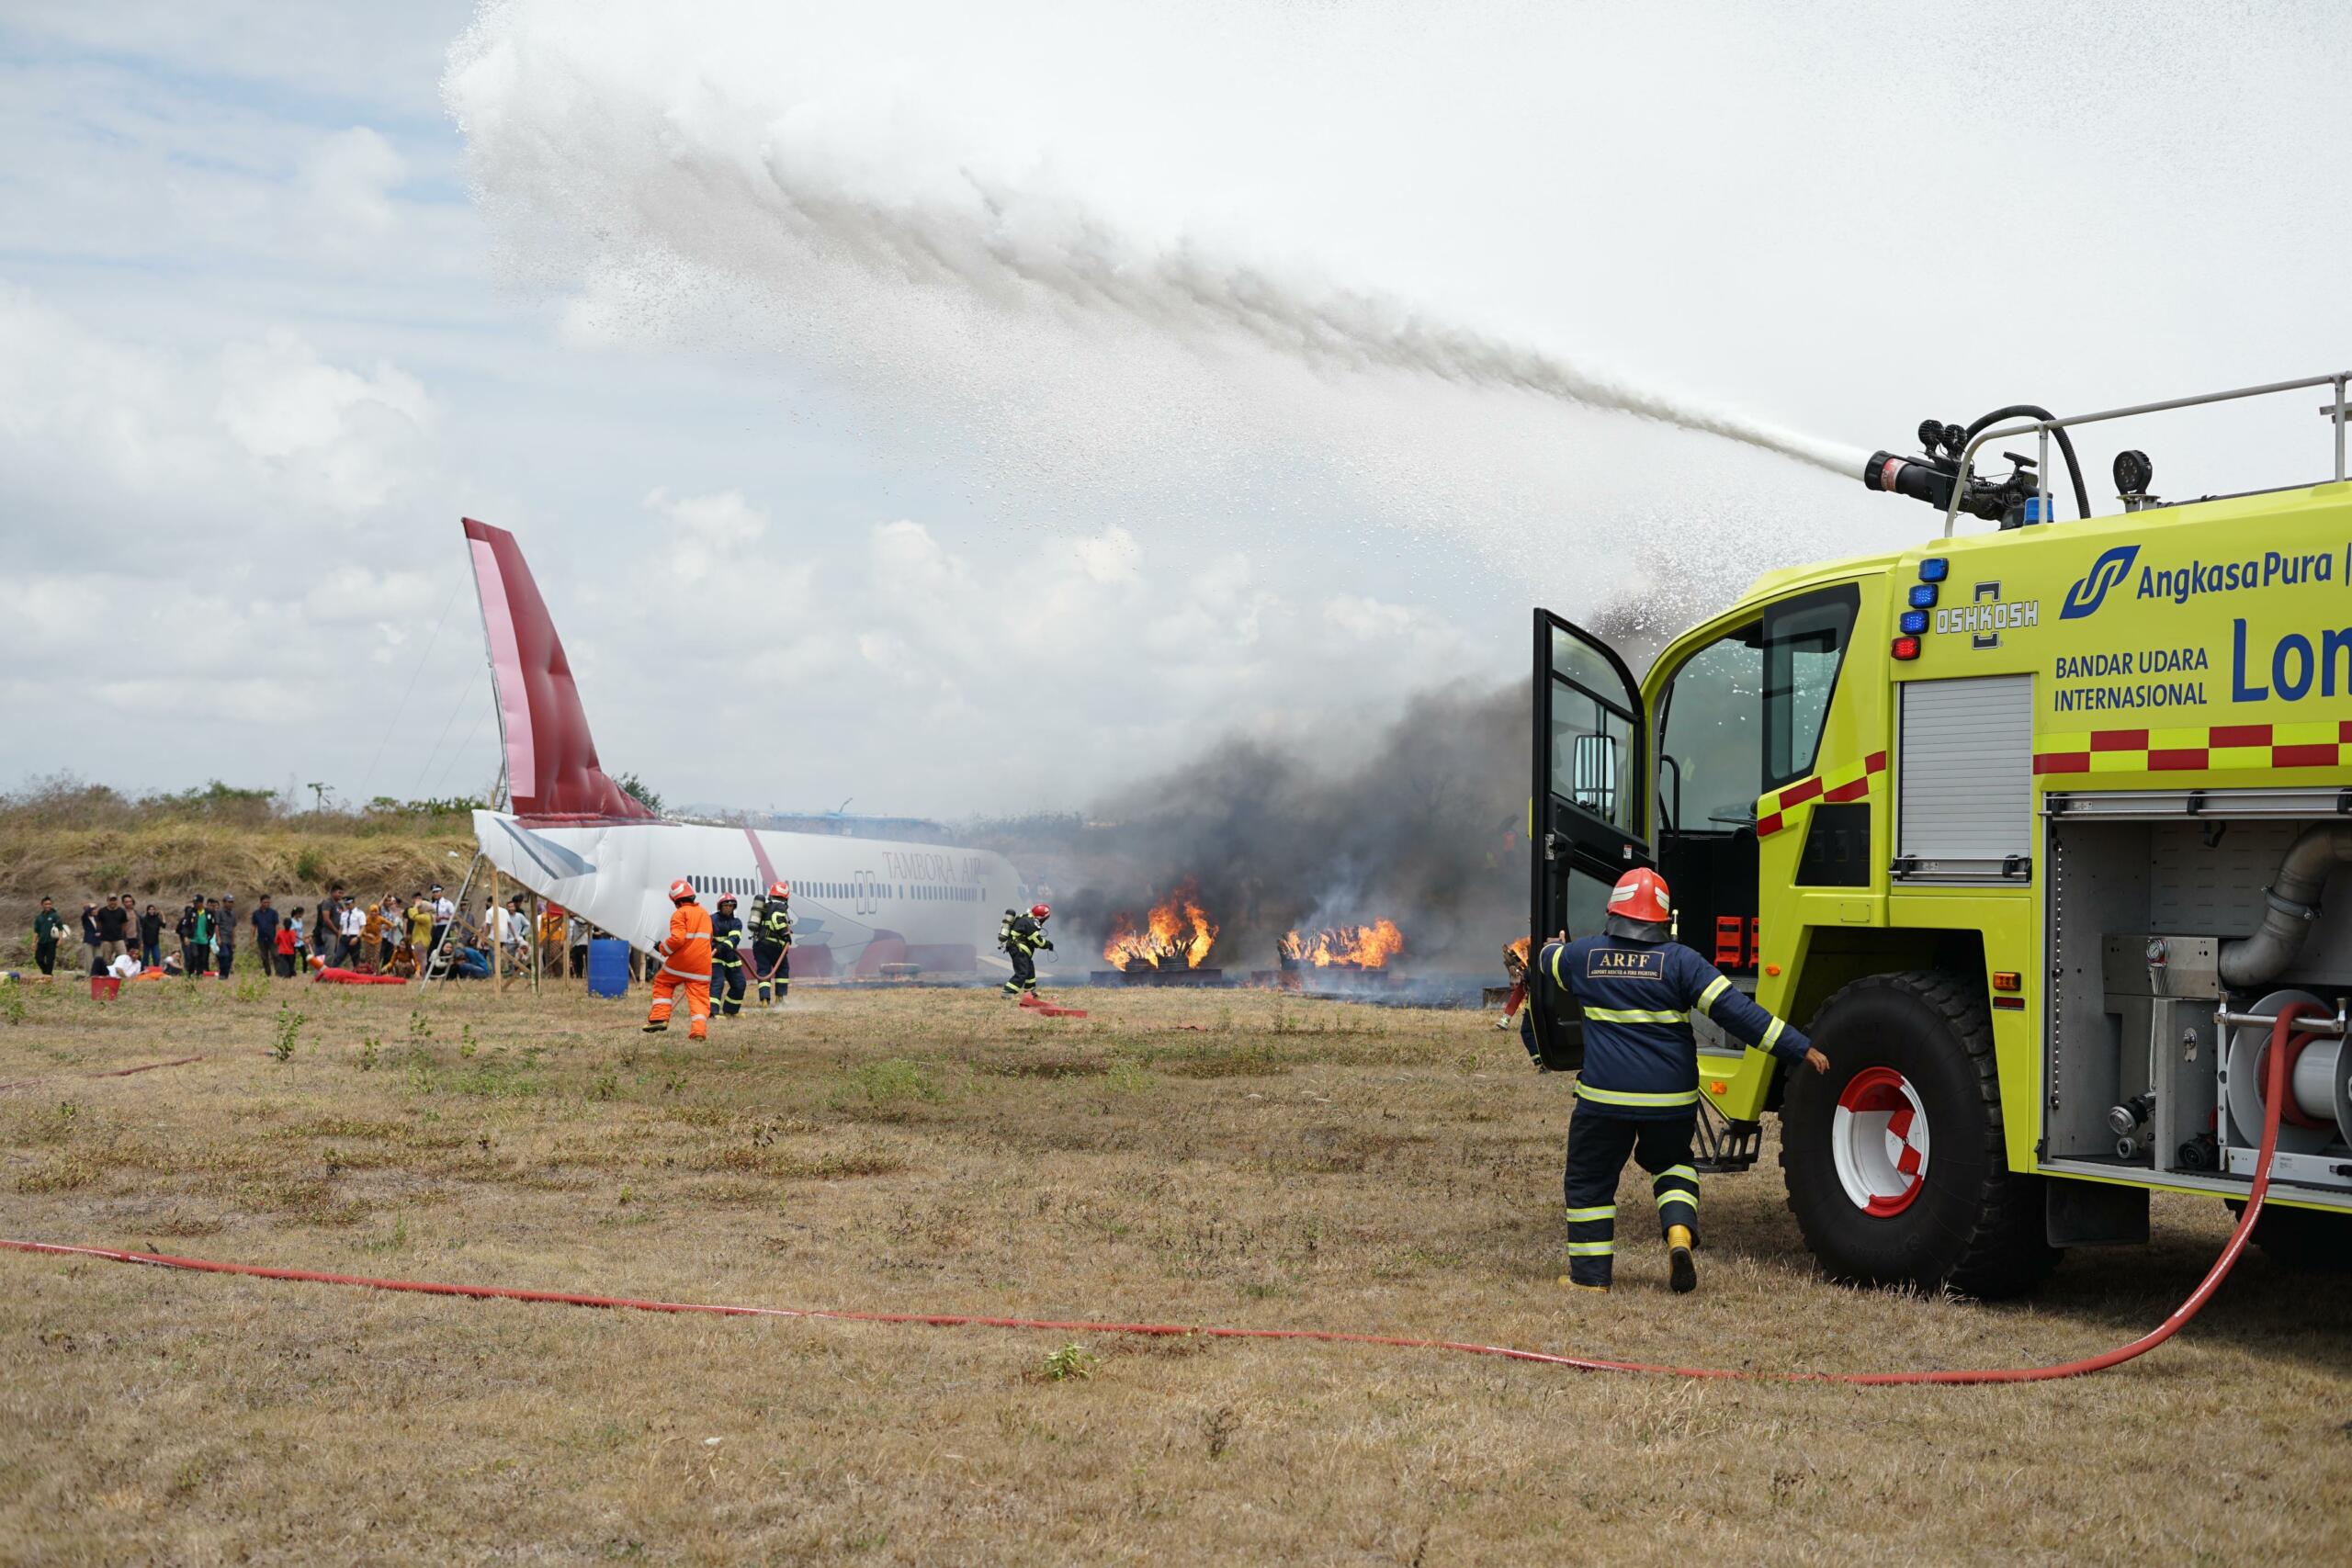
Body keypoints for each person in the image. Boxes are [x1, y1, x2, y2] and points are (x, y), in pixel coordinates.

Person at [1538, 868, 1828, 1297]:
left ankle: (1590, 1278)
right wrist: (1797, 1046)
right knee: (1673, 1163)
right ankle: (1678, 1235)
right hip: (1670, 1100)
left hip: (1603, 1100)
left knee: (1590, 1181)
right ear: (1662, 918)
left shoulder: (1585, 956)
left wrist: (1554, 947)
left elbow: (1547, 962)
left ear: (1613, 911)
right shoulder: (1681, 961)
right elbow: (1737, 1013)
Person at [643, 879, 711, 1039]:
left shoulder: (680, 914)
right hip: (702, 965)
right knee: (699, 998)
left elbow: (678, 939)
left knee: (663, 982)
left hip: (682, 962)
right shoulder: (704, 914)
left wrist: (662, 948)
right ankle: (699, 1031)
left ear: (676, 900)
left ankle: (659, 1018)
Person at [1495, 936, 1538, 1062]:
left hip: (1536, 998)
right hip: (1532, 993)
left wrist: (1523, 973)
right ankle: (1505, 1019)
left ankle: (1541, 1061)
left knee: (1528, 1031)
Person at [751, 883, 793, 1007]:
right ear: (785, 897)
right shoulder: (779, 907)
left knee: (763, 970)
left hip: (759, 945)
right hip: (774, 945)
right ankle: (780, 998)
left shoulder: (765, 906)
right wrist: (786, 934)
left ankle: (764, 1000)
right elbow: (776, 919)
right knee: (782, 968)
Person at [1000, 902, 1053, 998]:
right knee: (1022, 973)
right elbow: (1037, 941)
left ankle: (1030, 992)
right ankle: (1007, 992)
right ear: (1041, 917)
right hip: (1019, 950)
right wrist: (1048, 944)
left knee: (1030, 970)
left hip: (1019, 949)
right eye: (1045, 918)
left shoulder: (1026, 917)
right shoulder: (1031, 923)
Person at [708, 894, 747, 1019]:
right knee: (718, 983)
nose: (729, 908)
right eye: (726, 905)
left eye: (731, 906)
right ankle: (712, 1012)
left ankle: (730, 1011)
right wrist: (715, 946)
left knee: (740, 984)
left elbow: (734, 938)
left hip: (731, 958)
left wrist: (723, 946)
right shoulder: (711, 920)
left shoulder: (736, 922)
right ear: (720, 906)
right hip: (715, 957)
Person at [95, 895, 129, 969]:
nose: (113, 902)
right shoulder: (102, 911)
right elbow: (98, 923)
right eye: (111, 900)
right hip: (106, 939)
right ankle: (107, 975)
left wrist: (122, 934)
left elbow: (124, 924)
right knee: (106, 959)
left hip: (118, 938)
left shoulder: (122, 911)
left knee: (123, 956)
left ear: (117, 901)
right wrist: (99, 932)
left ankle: (122, 974)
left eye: (114, 900)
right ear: (107, 901)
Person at [32, 898, 64, 976]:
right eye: (46, 904)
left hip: (51, 942)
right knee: (38, 959)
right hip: (41, 942)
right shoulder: (39, 917)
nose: (48, 906)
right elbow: (36, 931)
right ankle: (47, 973)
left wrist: (60, 939)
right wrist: (33, 942)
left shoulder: (55, 916)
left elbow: (60, 928)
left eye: (49, 904)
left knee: (50, 960)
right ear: (42, 905)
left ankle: (48, 976)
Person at [188, 897, 216, 976]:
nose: (194, 904)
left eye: (196, 903)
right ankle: (190, 973)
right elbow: (186, 925)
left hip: (204, 940)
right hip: (193, 939)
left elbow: (213, 925)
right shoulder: (191, 912)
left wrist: (210, 934)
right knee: (194, 955)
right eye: (194, 903)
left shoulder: (209, 913)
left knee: (202, 958)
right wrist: (186, 936)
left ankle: (199, 975)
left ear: (201, 903)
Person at [338, 897, 366, 969]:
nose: (347, 906)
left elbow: (363, 927)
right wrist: (339, 940)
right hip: (344, 938)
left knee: (355, 960)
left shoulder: (360, 913)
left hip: (354, 937)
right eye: (346, 904)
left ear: (353, 903)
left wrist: (357, 938)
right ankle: (331, 975)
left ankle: (357, 978)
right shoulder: (343, 914)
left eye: (348, 904)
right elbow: (341, 928)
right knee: (338, 957)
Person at [277, 906, 304, 977]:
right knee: (290, 962)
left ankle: (282, 974)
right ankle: (289, 974)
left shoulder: (280, 932)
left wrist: (279, 945)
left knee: (283, 963)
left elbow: (276, 941)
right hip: (290, 951)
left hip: (282, 951)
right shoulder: (292, 932)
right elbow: (293, 941)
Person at [215, 896, 238, 976]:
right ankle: (222, 974)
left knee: (230, 958)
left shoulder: (233, 913)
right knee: (225, 955)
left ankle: (226, 974)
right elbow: (217, 926)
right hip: (222, 937)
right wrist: (218, 938)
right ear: (224, 902)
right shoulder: (219, 912)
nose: (231, 904)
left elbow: (233, 927)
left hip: (229, 938)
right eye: (229, 902)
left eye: (232, 902)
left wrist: (234, 940)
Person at [430, 884, 455, 958]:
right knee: (433, 949)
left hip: (444, 928)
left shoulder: (447, 903)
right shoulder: (432, 904)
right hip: (435, 928)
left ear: (441, 892)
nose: (435, 894)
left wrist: (443, 917)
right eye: (434, 892)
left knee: (444, 948)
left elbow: (454, 916)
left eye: (437, 892)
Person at [139, 903, 164, 970]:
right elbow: (141, 930)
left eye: (153, 909)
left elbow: (164, 925)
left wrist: (163, 915)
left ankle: (156, 971)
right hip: (146, 942)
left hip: (155, 942)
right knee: (145, 958)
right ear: (147, 911)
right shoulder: (144, 919)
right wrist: (141, 942)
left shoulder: (157, 919)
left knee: (157, 957)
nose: (151, 911)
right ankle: (144, 971)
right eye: (150, 909)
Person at [174, 902, 197, 973]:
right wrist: (184, 935)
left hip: (194, 940)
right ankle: (187, 970)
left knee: (194, 955)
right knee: (187, 956)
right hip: (185, 940)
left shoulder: (194, 920)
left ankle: (194, 969)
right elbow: (177, 930)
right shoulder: (183, 920)